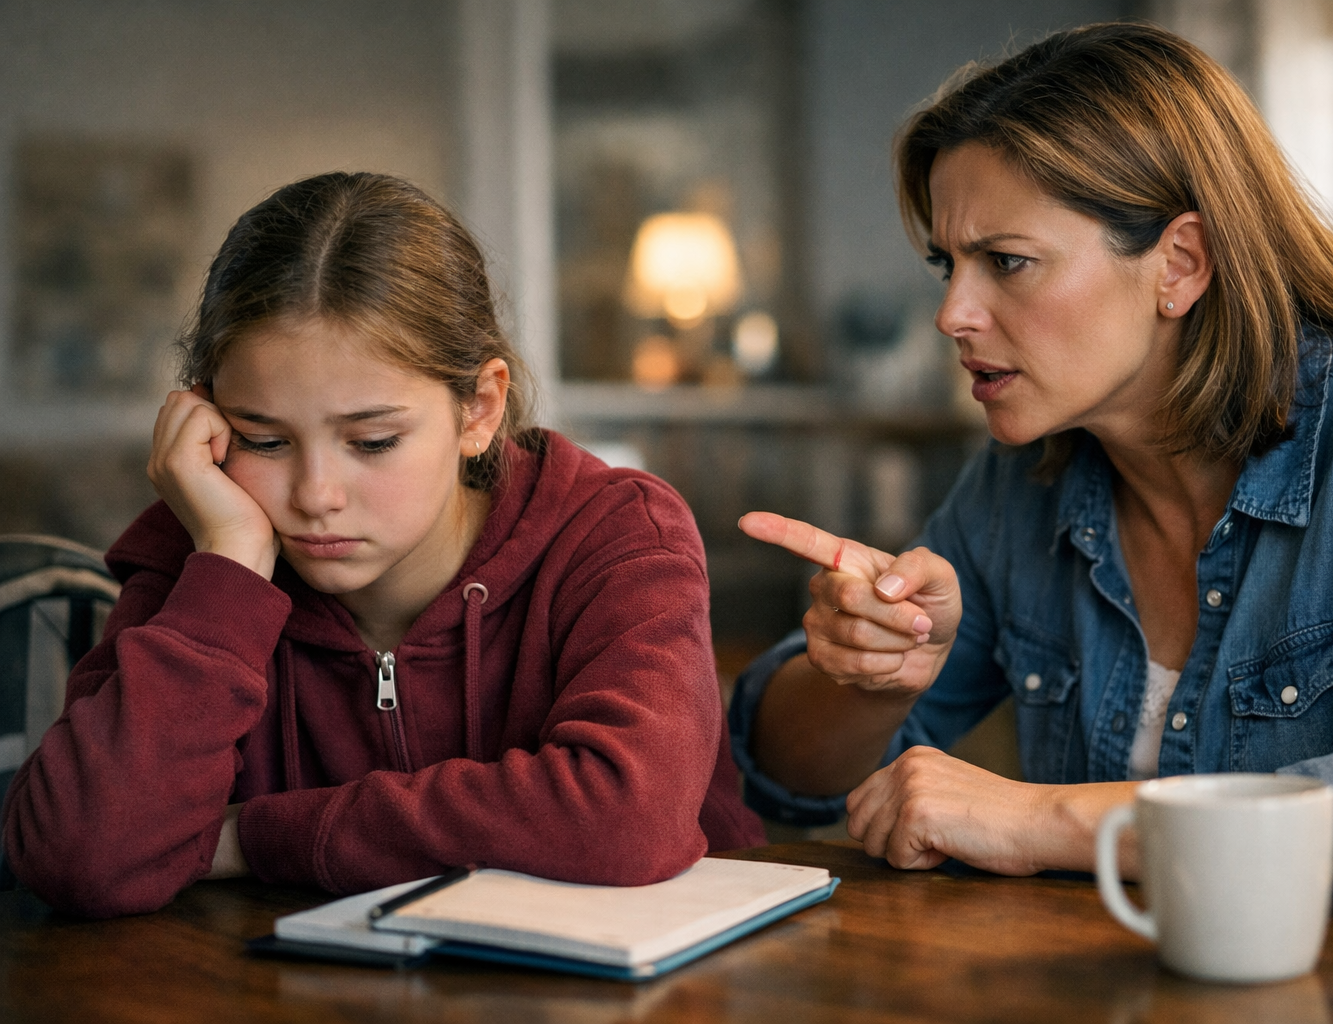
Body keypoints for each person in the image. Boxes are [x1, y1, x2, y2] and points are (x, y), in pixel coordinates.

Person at [730, 22, 1333, 909]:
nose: (953, 313)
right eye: (948, 265)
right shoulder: (1020, 482)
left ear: (1179, 265)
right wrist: (864, 679)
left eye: (1007, 262)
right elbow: (781, 781)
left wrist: (1043, 822)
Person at [2, 172, 763, 918]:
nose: (315, 495)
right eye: (263, 439)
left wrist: (252, 838)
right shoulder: (200, 551)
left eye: (372, 441)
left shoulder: (615, 531)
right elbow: (78, 856)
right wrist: (227, 570)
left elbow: (627, 819)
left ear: (479, 410)